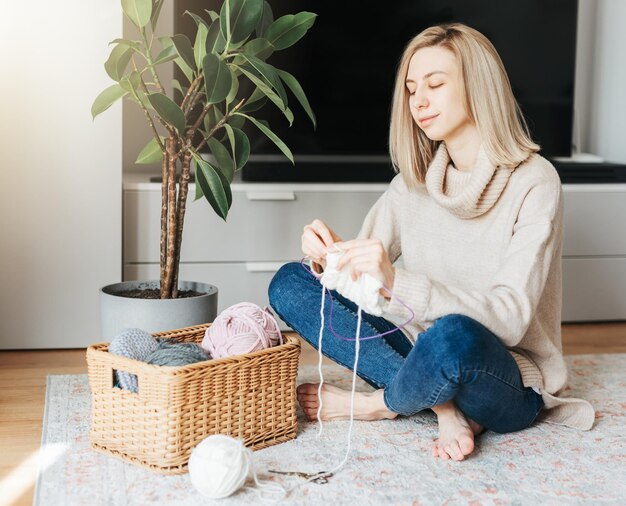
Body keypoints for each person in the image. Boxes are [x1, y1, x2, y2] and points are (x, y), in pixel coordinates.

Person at [267, 23, 594, 462]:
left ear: (478, 87)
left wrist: (397, 282)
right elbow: (361, 283)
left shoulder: (535, 181)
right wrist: (328, 257)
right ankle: (443, 407)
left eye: (435, 85)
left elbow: (512, 317)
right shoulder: (411, 184)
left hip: (502, 374)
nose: (418, 100)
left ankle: (377, 406)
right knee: (290, 282)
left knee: (451, 335)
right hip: (419, 351)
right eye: (410, 89)